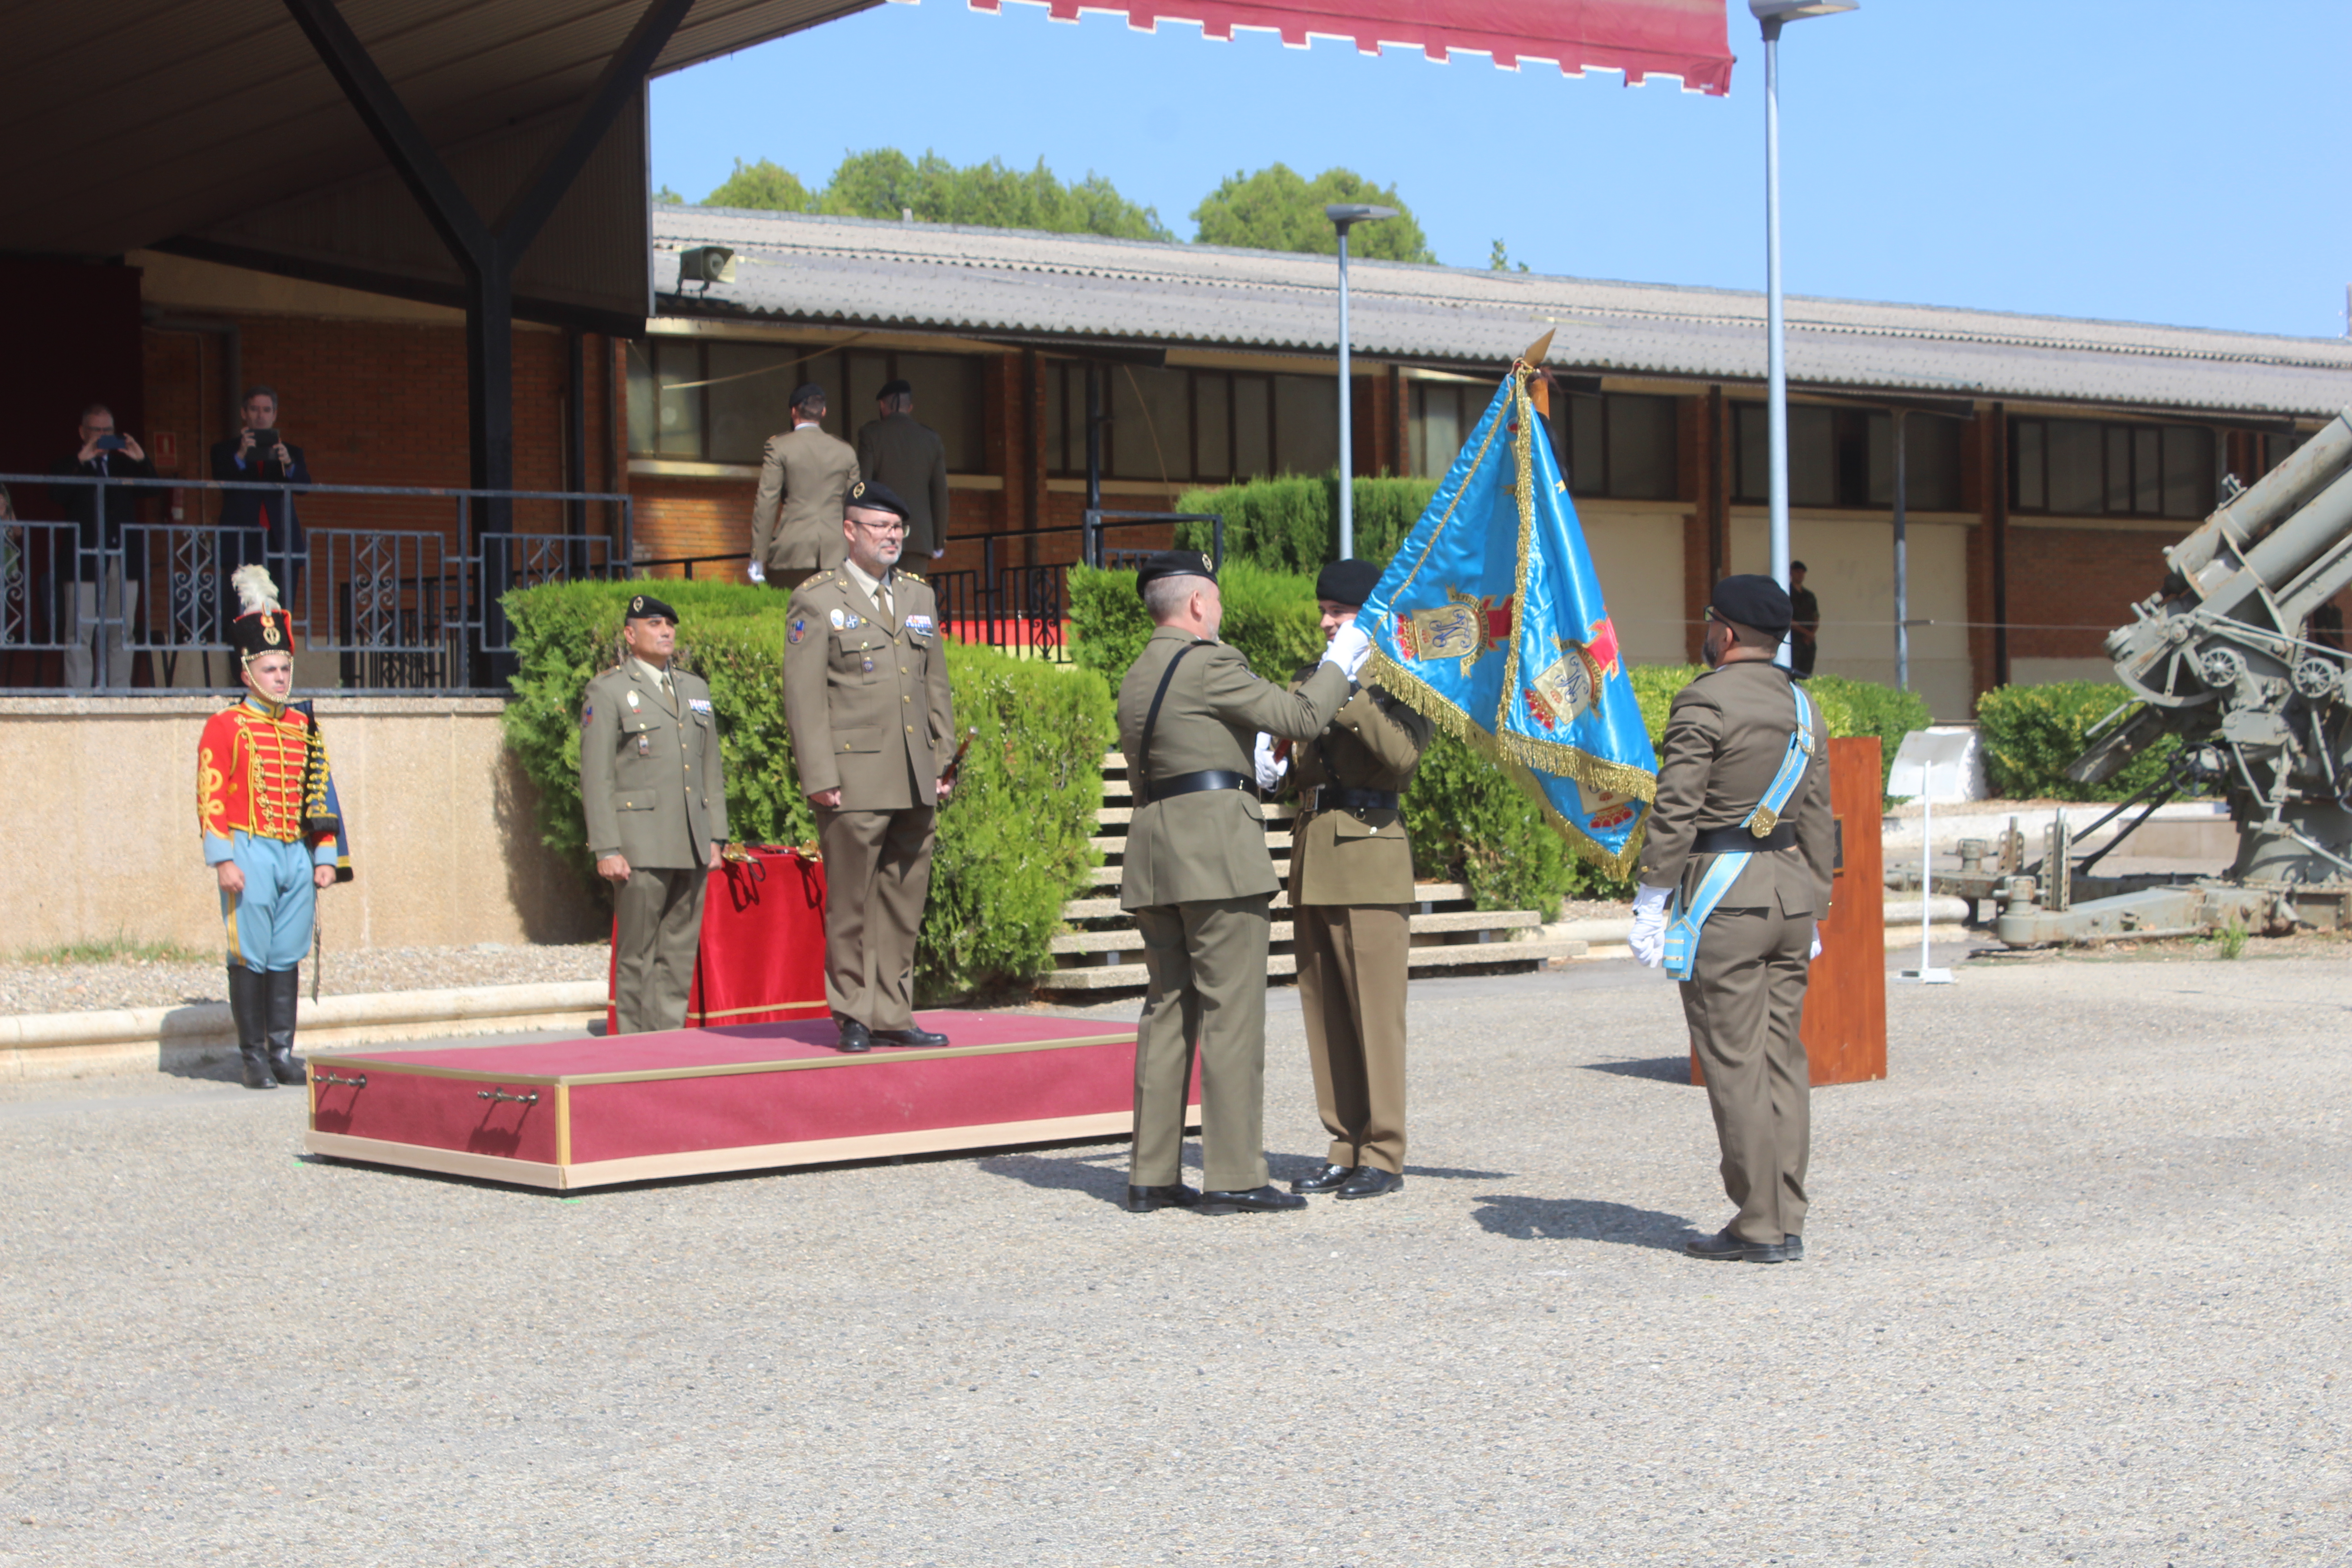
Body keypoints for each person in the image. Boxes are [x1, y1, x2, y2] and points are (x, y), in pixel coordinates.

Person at [1117, 550, 1371, 1216]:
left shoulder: (1138, 672)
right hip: (1215, 853)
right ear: (1198, 603)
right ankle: (1232, 1176)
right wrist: (1341, 662)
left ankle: (1151, 1172)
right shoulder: (1210, 663)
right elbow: (1300, 720)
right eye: (1219, 601)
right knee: (1232, 1013)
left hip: (1154, 852)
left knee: (1167, 1009)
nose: (1221, 613)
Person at [1628, 574, 1834, 1264]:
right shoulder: (1803, 707)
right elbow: (1816, 821)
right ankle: (1789, 1213)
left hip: (1725, 900)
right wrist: (1816, 912)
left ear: (1725, 632)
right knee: (1783, 1061)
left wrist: (1652, 899)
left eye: (1710, 621)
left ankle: (1758, 1223)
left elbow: (1676, 810)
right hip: (1788, 898)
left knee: (1735, 1061)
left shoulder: (1704, 701)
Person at [1255, 558, 1434, 1203]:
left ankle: (1383, 1151)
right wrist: (1275, 769)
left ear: (1370, 618)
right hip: (1315, 856)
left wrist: (1352, 691)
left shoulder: (1405, 681)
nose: (1327, 623)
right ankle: (1343, 1144)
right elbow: (1306, 769)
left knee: (1375, 1016)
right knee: (1325, 1011)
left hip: (1372, 859)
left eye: (1340, 613)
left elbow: (1403, 759)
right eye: (1324, 612)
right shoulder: (1312, 681)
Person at [783, 480, 956, 1054]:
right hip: (854, 777)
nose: (892, 536)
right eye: (879, 526)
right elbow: (805, 698)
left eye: (898, 527)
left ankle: (893, 1011)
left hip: (914, 775)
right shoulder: (817, 599)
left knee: (903, 901)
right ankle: (854, 1012)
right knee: (852, 902)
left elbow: (936, 686)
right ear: (850, 531)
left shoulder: (917, 596)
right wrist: (820, 776)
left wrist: (943, 759)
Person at [197, 565, 347, 1089]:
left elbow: (321, 793)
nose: (280, 678)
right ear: (247, 674)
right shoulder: (225, 726)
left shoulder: (305, 726)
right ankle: (252, 1056)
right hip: (250, 848)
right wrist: (223, 859)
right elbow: (211, 793)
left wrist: (324, 856)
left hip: (294, 853)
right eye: (269, 669)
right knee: (250, 951)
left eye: (284, 668)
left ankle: (282, 1050)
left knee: (287, 951)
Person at [579, 593, 730, 1035]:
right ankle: (633, 1045)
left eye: (669, 624)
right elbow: (597, 776)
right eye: (653, 624)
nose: (665, 631)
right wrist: (606, 846)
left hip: (690, 838)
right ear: (630, 634)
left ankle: (668, 1040)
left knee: (678, 951)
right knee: (638, 952)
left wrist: (715, 836)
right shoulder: (608, 691)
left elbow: (710, 770)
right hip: (639, 841)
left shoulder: (694, 689)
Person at [48, 402, 157, 688]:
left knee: (122, 630)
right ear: (82, 432)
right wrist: (81, 462)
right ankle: (79, 696)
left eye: (107, 430)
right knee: (79, 631)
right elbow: (58, 493)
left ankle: (118, 694)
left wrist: (140, 458)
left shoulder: (123, 463)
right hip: (81, 558)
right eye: (95, 430)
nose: (101, 435)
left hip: (122, 557)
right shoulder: (69, 464)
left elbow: (152, 489)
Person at [749, 383, 859, 586]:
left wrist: (758, 556)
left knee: (791, 615)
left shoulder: (779, 447)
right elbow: (855, 506)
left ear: (793, 411)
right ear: (823, 412)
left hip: (792, 550)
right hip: (837, 552)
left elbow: (767, 502)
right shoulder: (846, 452)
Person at [853, 378, 951, 562]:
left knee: (879, 591)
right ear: (910, 407)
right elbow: (940, 495)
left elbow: (863, 486)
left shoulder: (871, 434)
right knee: (913, 590)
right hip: (918, 540)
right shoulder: (931, 439)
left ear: (883, 406)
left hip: (879, 537)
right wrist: (938, 542)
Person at [1787, 560, 1819, 679]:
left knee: (1807, 675)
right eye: (1797, 572)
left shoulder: (1809, 596)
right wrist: (1807, 633)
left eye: (1802, 573)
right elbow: (1788, 619)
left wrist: (1811, 634)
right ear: (1791, 573)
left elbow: (1816, 617)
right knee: (1793, 673)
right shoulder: (1787, 593)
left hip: (1808, 643)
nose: (1800, 575)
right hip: (1794, 641)